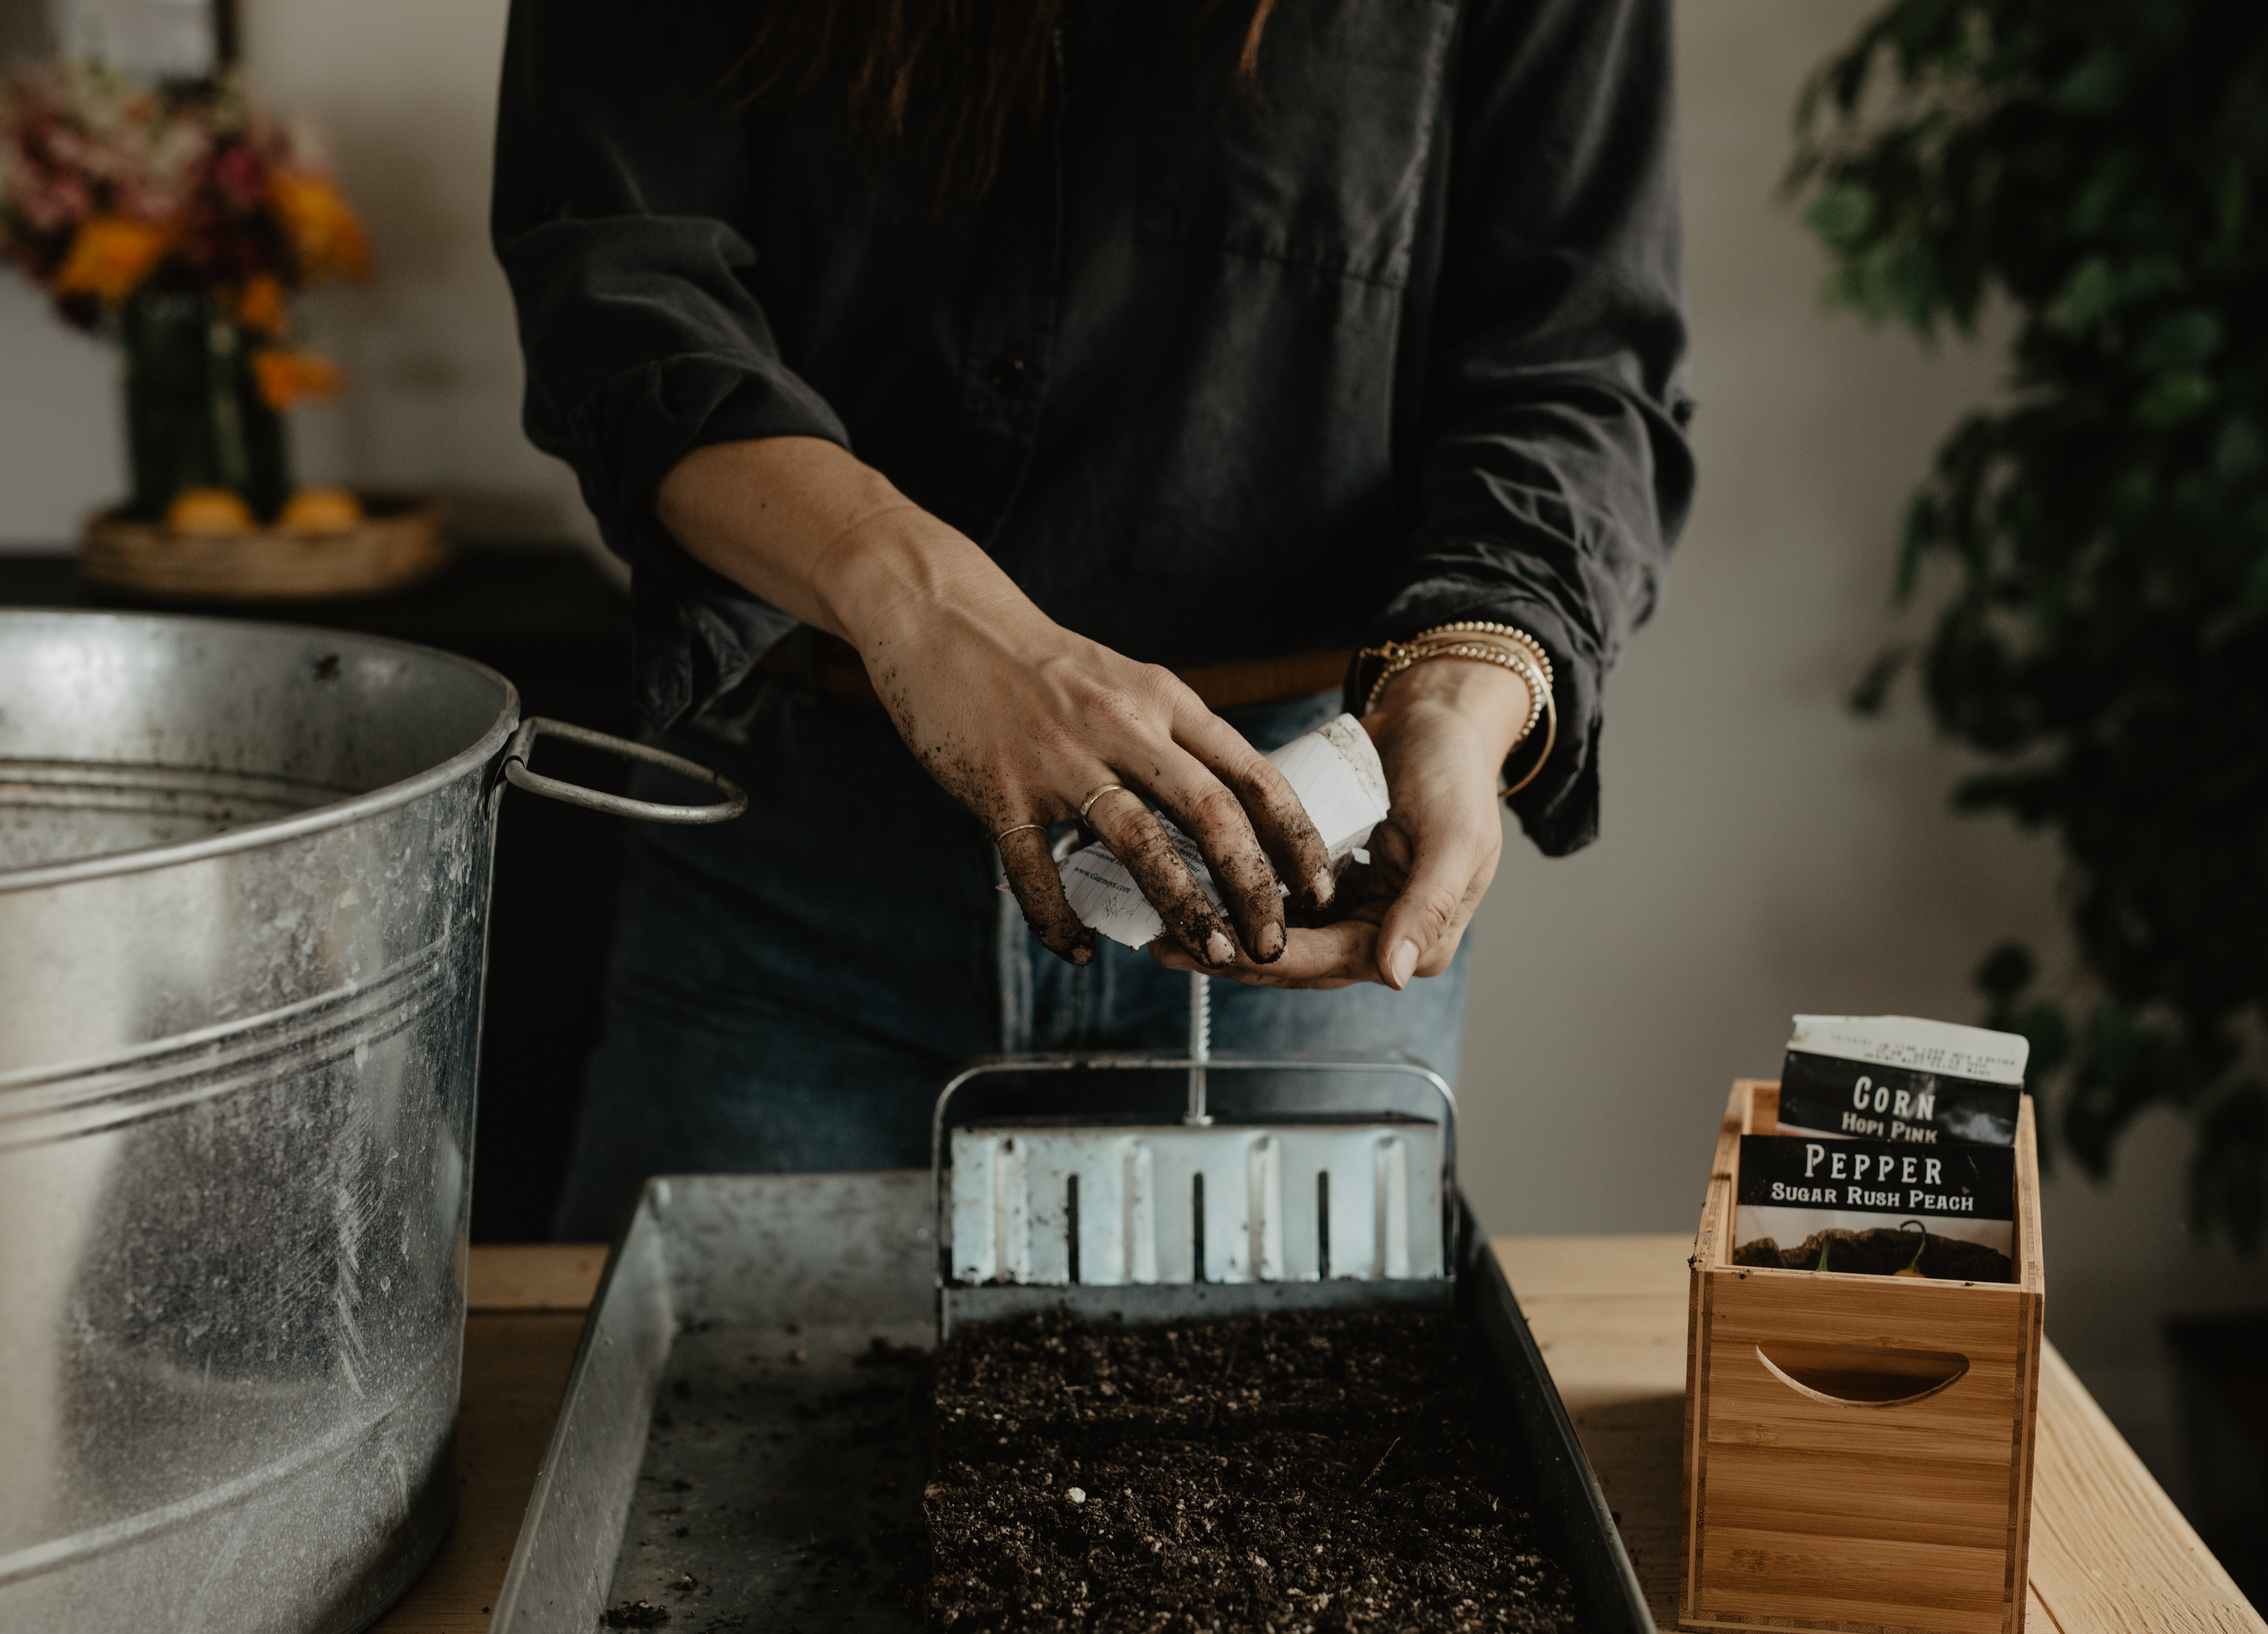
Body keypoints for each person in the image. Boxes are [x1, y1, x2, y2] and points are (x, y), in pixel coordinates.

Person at [492, 0, 1693, 1239]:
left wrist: (1460, 689)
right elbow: (620, 285)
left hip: (1299, 859)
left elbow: (1578, 361)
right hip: (789, 874)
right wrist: (928, 607)